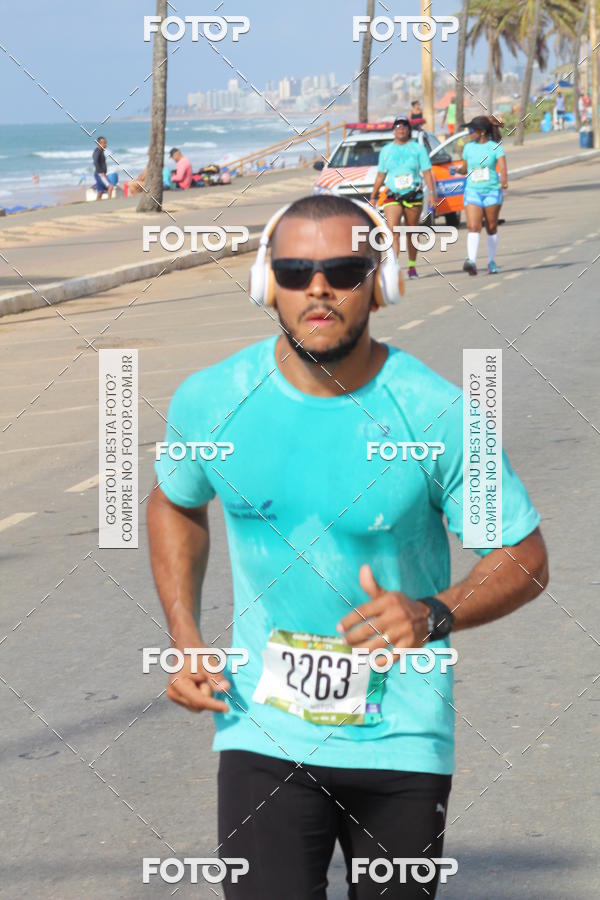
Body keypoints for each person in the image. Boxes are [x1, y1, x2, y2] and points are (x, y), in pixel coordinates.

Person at [149, 193, 548, 899]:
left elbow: (525, 555)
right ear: (266, 282)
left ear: (381, 281)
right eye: (295, 271)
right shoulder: (212, 401)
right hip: (264, 729)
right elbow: (175, 502)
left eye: (342, 270)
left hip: (402, 735)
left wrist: (432, 613)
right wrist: (184, 634)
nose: (318, 288)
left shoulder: (435, 413)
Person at [369, 114, 436, 279]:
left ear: (409, 129)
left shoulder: (418, 149)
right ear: (393, 130)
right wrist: (373, 195)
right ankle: (394, 267)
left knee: (412, 232)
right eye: (398, 126)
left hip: (414, 195)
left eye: (404, 126)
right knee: (393, 231)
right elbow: (381, 175)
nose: (401, 129)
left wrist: (432, 193)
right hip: (392, 195)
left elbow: (427, 172)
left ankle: (412, 266)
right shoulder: (386, 150)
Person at [455, 115, 508, 275]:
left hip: (492, 191)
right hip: (473, 191)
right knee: (473, 227)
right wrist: (459, 170)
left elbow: (503, 167)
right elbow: (465, 167)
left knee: (491, 227)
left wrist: (504, 180)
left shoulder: (495, 147)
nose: (469, 133)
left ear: (482, 132)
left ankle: (491, 261)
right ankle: (471, 261)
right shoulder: (468, 147)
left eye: (472, 130)